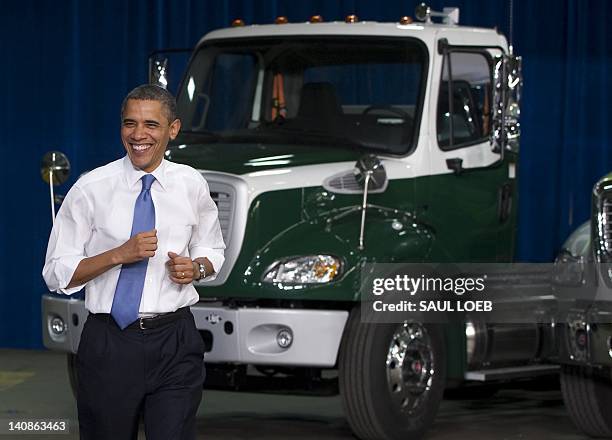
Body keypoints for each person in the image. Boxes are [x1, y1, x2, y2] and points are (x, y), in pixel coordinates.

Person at [43, 84, 225, 440]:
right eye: (130, 124)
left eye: (151, 125)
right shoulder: (91, 188)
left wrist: (197, 268)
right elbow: (55, 272)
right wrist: (117, 255)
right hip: (110, 342)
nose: (138, 135)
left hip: (175, 340)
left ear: (173, 130)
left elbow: (213, 249)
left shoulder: (192, 184)